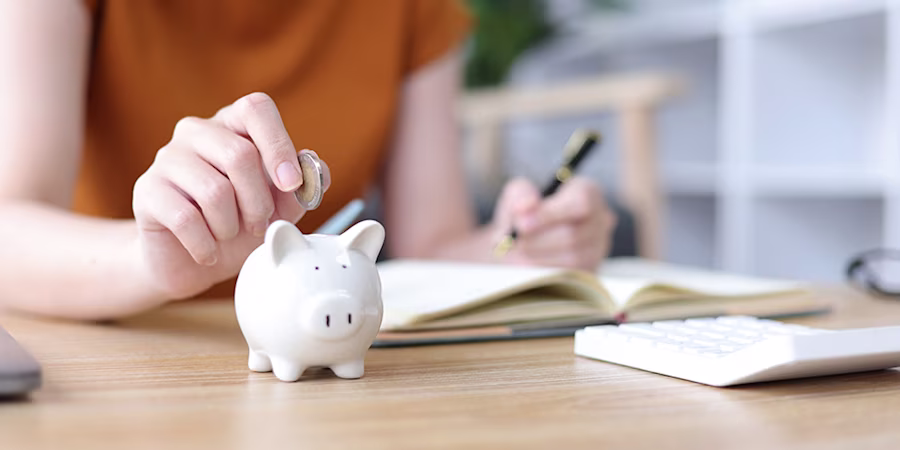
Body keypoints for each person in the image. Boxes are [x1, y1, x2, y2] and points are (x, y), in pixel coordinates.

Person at [0, 0, 617, 320]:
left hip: (313, 367)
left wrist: (519, 250)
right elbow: (9, 224)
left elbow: (431, 245)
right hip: (110, 349)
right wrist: (150, 260)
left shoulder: (412, 9)